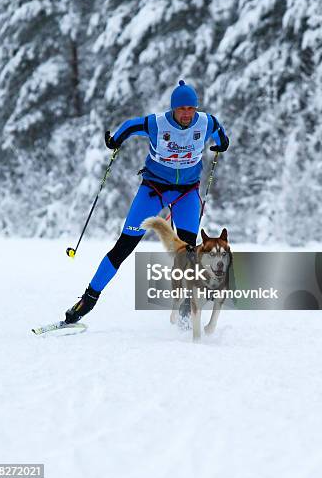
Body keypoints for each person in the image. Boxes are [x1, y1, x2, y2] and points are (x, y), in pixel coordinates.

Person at [64, 80, 229, 324]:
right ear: (174, 108)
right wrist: (115, 140)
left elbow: (221, 134)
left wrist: (223, 144)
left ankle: (186, 307)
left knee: (188, 252)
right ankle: (88, 300)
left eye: (191, 108)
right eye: (182, 108)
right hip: (154, 190)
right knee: (124, 247)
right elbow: (131, 126)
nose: (186, 113)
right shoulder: (157, 123)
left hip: (186, 194)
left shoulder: (206, 123)